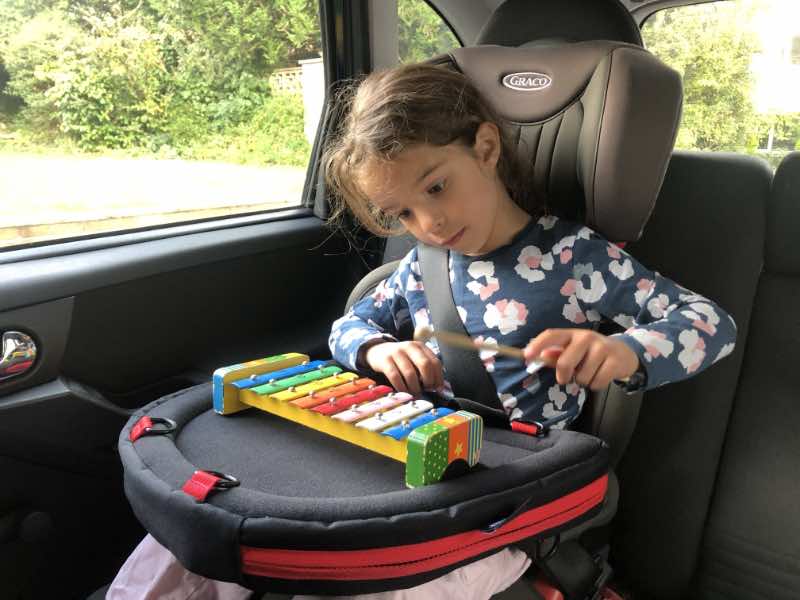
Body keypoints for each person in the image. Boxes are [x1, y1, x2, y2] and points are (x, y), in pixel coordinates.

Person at [108, 63, 736, 600]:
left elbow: (709, 323)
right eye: (403, 211)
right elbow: (351, 325)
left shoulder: (574, 257)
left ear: (485, 149)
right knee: (204, 536)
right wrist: (379, 349)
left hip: (501, 502)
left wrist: (623, 349)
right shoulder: (422, 264)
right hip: (400, 467)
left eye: (437, 186)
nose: (429, 222)